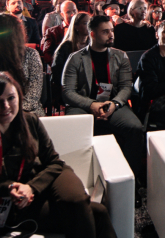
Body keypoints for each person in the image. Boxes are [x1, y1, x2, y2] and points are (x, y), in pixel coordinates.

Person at [0, 72, 124, 238]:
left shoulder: (29, 120)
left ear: (19, 97)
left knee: (76, 201)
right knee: (98, 213)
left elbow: (54, 162)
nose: (6, 106)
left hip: (49, 176)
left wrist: (32, 187)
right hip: (17, 198)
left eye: (11, 98)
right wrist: (7, 188)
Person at [62, 15, 146, 186]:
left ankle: (130, 180)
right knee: (74, 128)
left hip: (112, 104)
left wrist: (114, 104)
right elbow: (67, 92)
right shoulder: (75, 58)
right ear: (92, 34)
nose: (111, 35)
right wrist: (91, 104)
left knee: (135, 128)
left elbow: (126, 87)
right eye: (105, 32)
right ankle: (77, 180)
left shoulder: (120, 56)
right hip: (83, 105)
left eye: (112, 31)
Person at [41, 0, 78, 65]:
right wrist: (57, 65)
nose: (72, 14)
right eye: (68, 12)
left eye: (74, 11)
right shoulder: (52, 32)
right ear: (62, 15)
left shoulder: (83, 29)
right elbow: (47, 54)